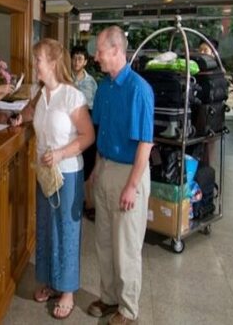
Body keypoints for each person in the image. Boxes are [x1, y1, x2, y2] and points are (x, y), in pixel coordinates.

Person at [11, 39, 94, 320]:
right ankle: (48, 280)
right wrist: (17, 119)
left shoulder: (72, 96)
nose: (35, 64)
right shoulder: (40, 93)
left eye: (38, 60)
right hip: (45, 173)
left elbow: (88, 136)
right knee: (46, 227)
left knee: (66, 230)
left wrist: (60, 153)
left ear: (53, 63)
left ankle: (67, 290)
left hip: (67, 172)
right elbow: (30, 112)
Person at [88, 26, 154, 325]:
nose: (96, 56)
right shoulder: (104, 88)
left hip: (129, 173)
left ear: (116, 50)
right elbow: (101, 131)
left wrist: (132, 186)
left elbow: (145, 144)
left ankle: (128, 309)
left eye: (100, 51)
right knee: (104, 241)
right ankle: (109, 297)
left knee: (126, 246)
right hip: (105, 168)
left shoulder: (139, 89)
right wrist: (96, 169)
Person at [71, 45, 98, 218]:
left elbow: (95, 106)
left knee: (87, 164)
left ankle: (89, 203)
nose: (76, 62)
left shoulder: (91, 82)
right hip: (70, 127)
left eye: (80, 59)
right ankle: (75, 201)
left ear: (85, 62)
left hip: (86, 125)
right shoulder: (65, 78)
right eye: (74, 58)